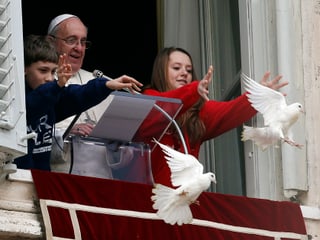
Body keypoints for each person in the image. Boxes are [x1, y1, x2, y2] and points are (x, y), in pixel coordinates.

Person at [142, 47, 288, 187]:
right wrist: (194, 90)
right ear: (161, 72)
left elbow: (231, 111)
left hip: (183, 201)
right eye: (176, 68)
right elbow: (163, 106)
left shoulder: (198, 112)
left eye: (189, 70)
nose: (184, 73)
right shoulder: (149, 99)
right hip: (148, 199)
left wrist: (259, 96)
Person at [13, 34, 142, 171]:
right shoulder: (14, 100)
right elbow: (33, 105)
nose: (49, 78)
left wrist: (107, 85)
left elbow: (78, 94)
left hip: (41, 181)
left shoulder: (53, 96)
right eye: (43, 71)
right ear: (24, 69)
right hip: (14, 179)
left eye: (53, 72)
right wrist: (57, 86)